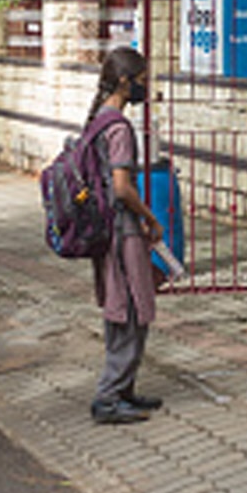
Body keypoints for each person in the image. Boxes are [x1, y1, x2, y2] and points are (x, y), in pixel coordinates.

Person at [87, 46, 164, 425]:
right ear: (124, 81)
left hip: (106, 229)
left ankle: (125, 388)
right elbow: (121, 187)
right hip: (121, 230)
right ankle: (109, 395)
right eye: (142, 82)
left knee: (124, 305)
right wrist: (149, 216)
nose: (144, 89)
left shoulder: (98, 119)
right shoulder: (118, 127)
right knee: (130, 307)